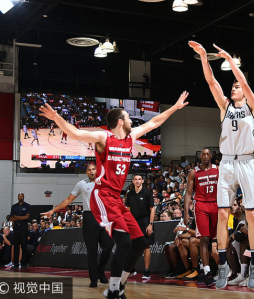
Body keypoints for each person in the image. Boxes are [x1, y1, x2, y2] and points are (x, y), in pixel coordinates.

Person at [40, 91, 189, 299]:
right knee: (125, 243)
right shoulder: (104, 138)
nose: (131, 120)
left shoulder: (130, 138)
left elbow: (154, 122)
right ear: (120, 122)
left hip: (116, 199)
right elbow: (75, 133)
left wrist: (175, 107)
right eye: (128, 118)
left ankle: (118, 286)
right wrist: (57, 118)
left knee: (139, 243)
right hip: (102, 196)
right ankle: (112, 289)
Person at [188, 41, 254, 290]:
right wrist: (203, 58)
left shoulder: (253, 107)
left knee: (251, 214)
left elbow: (245, 83)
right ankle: (222, 266)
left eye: (238, 85)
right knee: (222, 213)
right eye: (233, 85)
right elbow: (211, 83)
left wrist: (230, 60)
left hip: (248, 162)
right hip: (227, 163)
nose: (235, 86)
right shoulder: (225, 106)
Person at [42, 163, 114, 287]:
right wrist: (53, 210)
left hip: (104, 217)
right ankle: (93, 279)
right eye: (89, 170)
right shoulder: (81, 184)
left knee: (109, 244)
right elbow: (68, 200)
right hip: (89, 218)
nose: (91, 171)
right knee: (92, 251)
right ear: (86, 172)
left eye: (93, 169)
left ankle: (101, 270)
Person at [183, 148, 219, 286]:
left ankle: (205, 269)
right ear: (200, 156)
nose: (205, 156)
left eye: (207, 154)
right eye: (203, 154)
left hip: (215, 205)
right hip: (201, 206)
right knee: (203, 239)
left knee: (210, 240)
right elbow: (188, 192)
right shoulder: (194, 172)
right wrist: (186, 212)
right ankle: (208, 272)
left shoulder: (218, 169)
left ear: (211, 156)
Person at [125, 174, 156, 280]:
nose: (137, 181)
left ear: (142, 181)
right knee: (130, 245)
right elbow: (128, 209)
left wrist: (150, 224)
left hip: (145, 220)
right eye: (135, 179)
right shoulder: (129, 194)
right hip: (133, 222)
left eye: (139, 179)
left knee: (146, 245)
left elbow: (152, 209)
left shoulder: (147, 193)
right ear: (133, 181)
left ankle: (146, 271)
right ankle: (131, 269)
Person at [10, 193, 30, 270]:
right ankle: (15, 264)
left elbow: (27, 217)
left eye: (21, 196)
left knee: (24, 245)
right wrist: (21, 217)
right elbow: (11, 218)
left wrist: (17, 217)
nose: (20, 197)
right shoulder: (14, 206)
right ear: (18, 197)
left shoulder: (27, 205)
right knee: (16, 245)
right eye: (19, 196)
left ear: (23, 197)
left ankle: (24, 263)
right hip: (16, 227)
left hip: (24, 227)